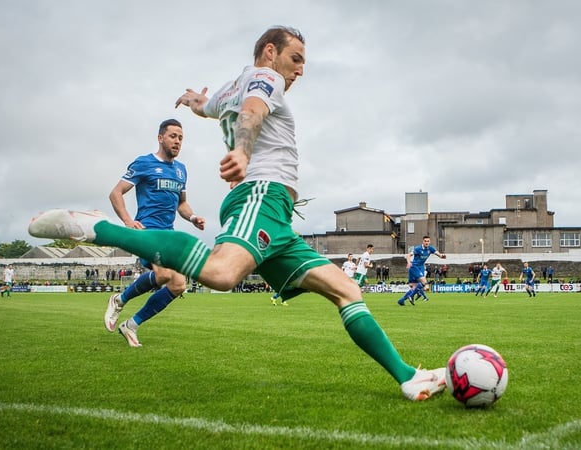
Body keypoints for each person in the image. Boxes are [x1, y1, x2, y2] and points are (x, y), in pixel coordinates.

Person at [28, 26, 445, 401]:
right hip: (260, 195)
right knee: (223, 275)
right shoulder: (265, 79)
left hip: (276, 213)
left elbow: (213, 106)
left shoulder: (231, 88)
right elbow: (253, 112)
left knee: (346, 290)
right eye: (295, 59)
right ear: (270, 52)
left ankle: (407, 377)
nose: (300, 71)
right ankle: (96, 227)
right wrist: (243, 149)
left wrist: (196, 101)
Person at [102, 118, 206, 347]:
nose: (177, 141)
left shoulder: (181, 170)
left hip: (168, 234)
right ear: (160, 138)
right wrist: (128, 221)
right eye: (173, 136)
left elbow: (182, 204)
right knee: (164, 275)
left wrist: (192, 217)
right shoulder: (144, 163)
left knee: (178, 285)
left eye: (181, 138)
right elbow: (116, 193)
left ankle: (131, 324)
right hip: (146, 231)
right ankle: (120, 300)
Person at [397, 236, 446, 306]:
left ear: (430, 242)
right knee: (424, 282)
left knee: (413, 287)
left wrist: (442, 256)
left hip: (421, 267)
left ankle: (401, 300)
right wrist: (409, 263)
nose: (426, 242)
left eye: (428, 241)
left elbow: (439, 254)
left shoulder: (431, 248)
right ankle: (411, 296)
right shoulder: (418, 248)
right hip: (414, 267)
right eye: (425, 241)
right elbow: (408, 255)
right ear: (423, 242)